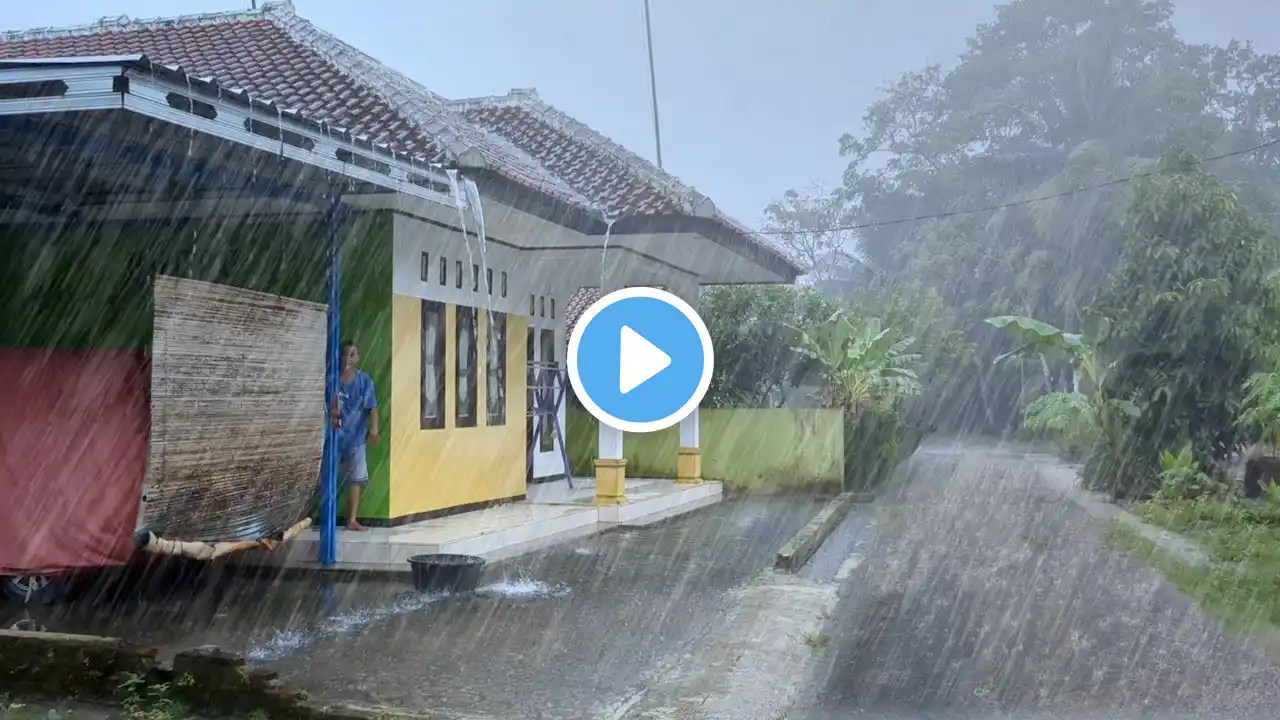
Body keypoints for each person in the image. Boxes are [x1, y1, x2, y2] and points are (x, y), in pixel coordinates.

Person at [329, 340, 379, 531]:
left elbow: (372, 407)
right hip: (334, 437)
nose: (348, 358)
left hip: (356, 436)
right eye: (345, 354)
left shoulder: (364, 381)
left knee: (356, 478)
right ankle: (328, 517)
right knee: (328, 476)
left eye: (352, 354)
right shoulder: (332, 382)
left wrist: (374, 429)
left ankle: (351, 519)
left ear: (357, 358)